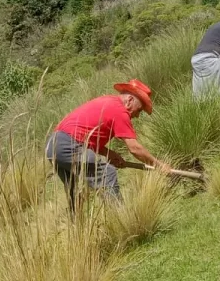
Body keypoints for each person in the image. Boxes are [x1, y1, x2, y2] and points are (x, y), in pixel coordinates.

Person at [46, 78, 169, 210]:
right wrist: (159, 165)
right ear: (130, 101)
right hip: (68, 145)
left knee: (75, 191)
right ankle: (121, 220)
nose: (137, 116)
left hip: (53, 145)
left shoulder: (108, 101)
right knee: (107, 173)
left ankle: (76, 226)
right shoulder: (120, 111)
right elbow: (134, 148)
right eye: (139, 110)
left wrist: (109, 153)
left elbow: (86, 136)